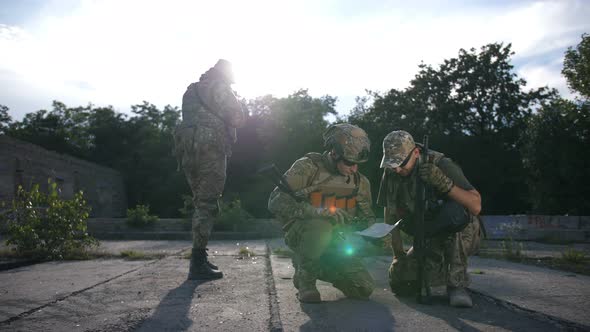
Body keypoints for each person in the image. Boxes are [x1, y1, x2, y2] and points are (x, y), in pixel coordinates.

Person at [268, 123, 376, 303]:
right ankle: (306, 282)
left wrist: (374, 232)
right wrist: (316, 212)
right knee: (321, 226)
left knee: (362, 288)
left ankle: (311, 268)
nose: (354, 169)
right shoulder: (308, 168)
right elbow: (275, 202)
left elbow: (367, 217)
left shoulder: (359, 182)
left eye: (358, 164)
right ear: (334, 153)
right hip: (304, 234)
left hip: (338, 242)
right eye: (349, 162)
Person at [377, 130, 483, 307]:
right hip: (428, 233)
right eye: (391, 164)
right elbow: (390, 215)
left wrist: (442, 182)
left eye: (401, 164)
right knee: (401, 282)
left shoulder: (442, 164)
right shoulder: (392, 173)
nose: (396, 169)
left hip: (460, 230)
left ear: (416, 153)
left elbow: (476, 205)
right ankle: (435, 271)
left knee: (456, 216)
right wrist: (398, 255)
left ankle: (457, 284)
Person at [173, 59, 245, 280]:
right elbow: (237, 118)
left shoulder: (192, 89)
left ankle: (199, 258)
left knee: (199, 203)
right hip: (211, 150)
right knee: (207, 204)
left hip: (188, 152)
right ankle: (197, 263)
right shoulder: (220, 88)